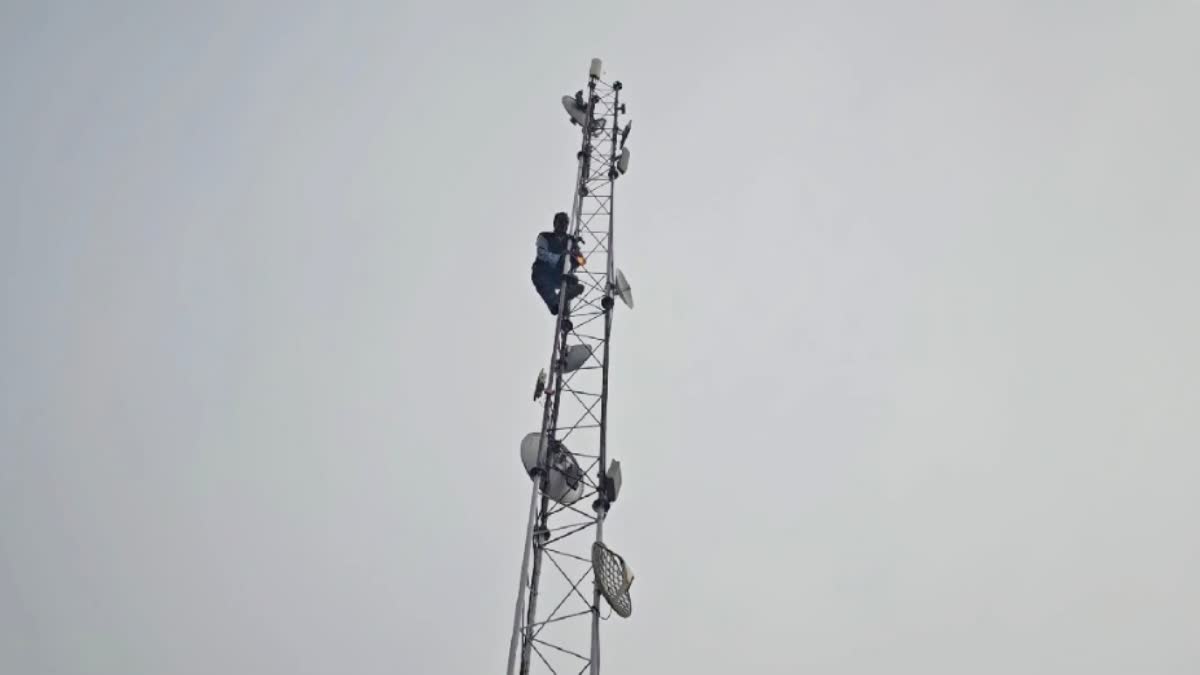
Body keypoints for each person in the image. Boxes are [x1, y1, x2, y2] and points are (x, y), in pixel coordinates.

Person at [531, 212, 584, 315]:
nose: (563, 224)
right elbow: (542, 254)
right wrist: (561, 256)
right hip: (543, 272)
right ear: (554, 223)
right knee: (552, 301)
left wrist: (576, 253)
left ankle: (562, 299)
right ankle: (556, 304)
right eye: (560, 221)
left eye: (565, 222)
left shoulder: (570, 241)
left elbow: (581, 262)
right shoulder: (545, 236)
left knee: (576, 284)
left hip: (559, 275)